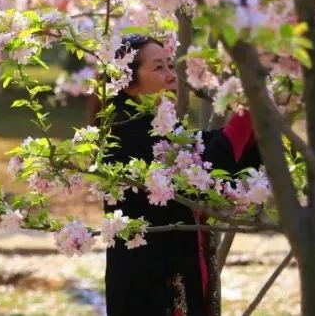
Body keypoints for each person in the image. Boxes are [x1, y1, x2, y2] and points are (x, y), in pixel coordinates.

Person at [104, 34, 261, 316]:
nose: (170, 76)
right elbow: (207, 165)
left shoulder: (164, 131)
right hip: (149, 286)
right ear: (128, 83)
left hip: (183, 273)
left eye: (170, 66)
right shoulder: (125, 135)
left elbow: (204, 147)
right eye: (158, 68)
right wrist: (246, 106)